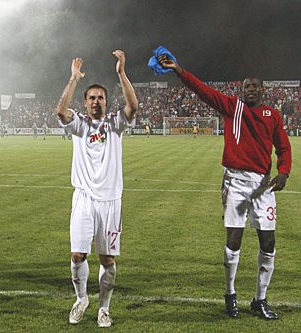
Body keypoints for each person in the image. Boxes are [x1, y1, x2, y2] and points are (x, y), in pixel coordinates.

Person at [158, 54, 291, 320]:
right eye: (246, 87)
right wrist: (179, 70)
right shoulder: (233, 107)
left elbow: (284, 147)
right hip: (235, 181)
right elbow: (202, 90)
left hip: (262, 186)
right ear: (242, 91)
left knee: (269, 241)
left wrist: (284, 171)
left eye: (254, 86)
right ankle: (230, 295)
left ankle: (260, 299)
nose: (250, 89)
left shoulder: (272, 115)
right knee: (234, 238)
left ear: (262, 90)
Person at [56, 51, 138, 328]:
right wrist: (74, 79)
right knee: (78, 255)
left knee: (107, 259)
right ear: (85, 102)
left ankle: (104, 307)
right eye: (91, 97)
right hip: (83, 198)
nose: (95, 101)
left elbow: (133, 107)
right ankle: (81, 300)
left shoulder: (115, 124)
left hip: (110, 200)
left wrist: (122, 74)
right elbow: (60, 111)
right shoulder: (79, 124)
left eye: (100, 97)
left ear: (106, 101)